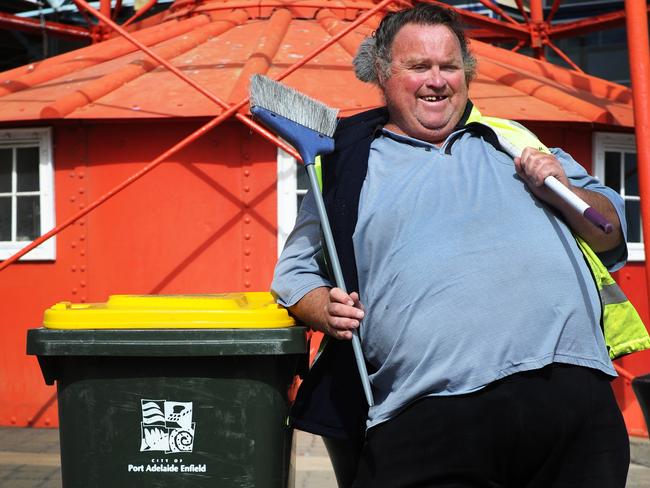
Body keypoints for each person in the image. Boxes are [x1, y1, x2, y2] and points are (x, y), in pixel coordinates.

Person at [271, 3, 631, 487]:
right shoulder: (342, 168)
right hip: (428, 413)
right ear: (382, 72)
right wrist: (323, 307)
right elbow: (292, 275)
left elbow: (607, 228)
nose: (437, 80)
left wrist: (566, 191)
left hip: (571, 401)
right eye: (419, 67)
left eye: (449, 66)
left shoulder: (514, 141)